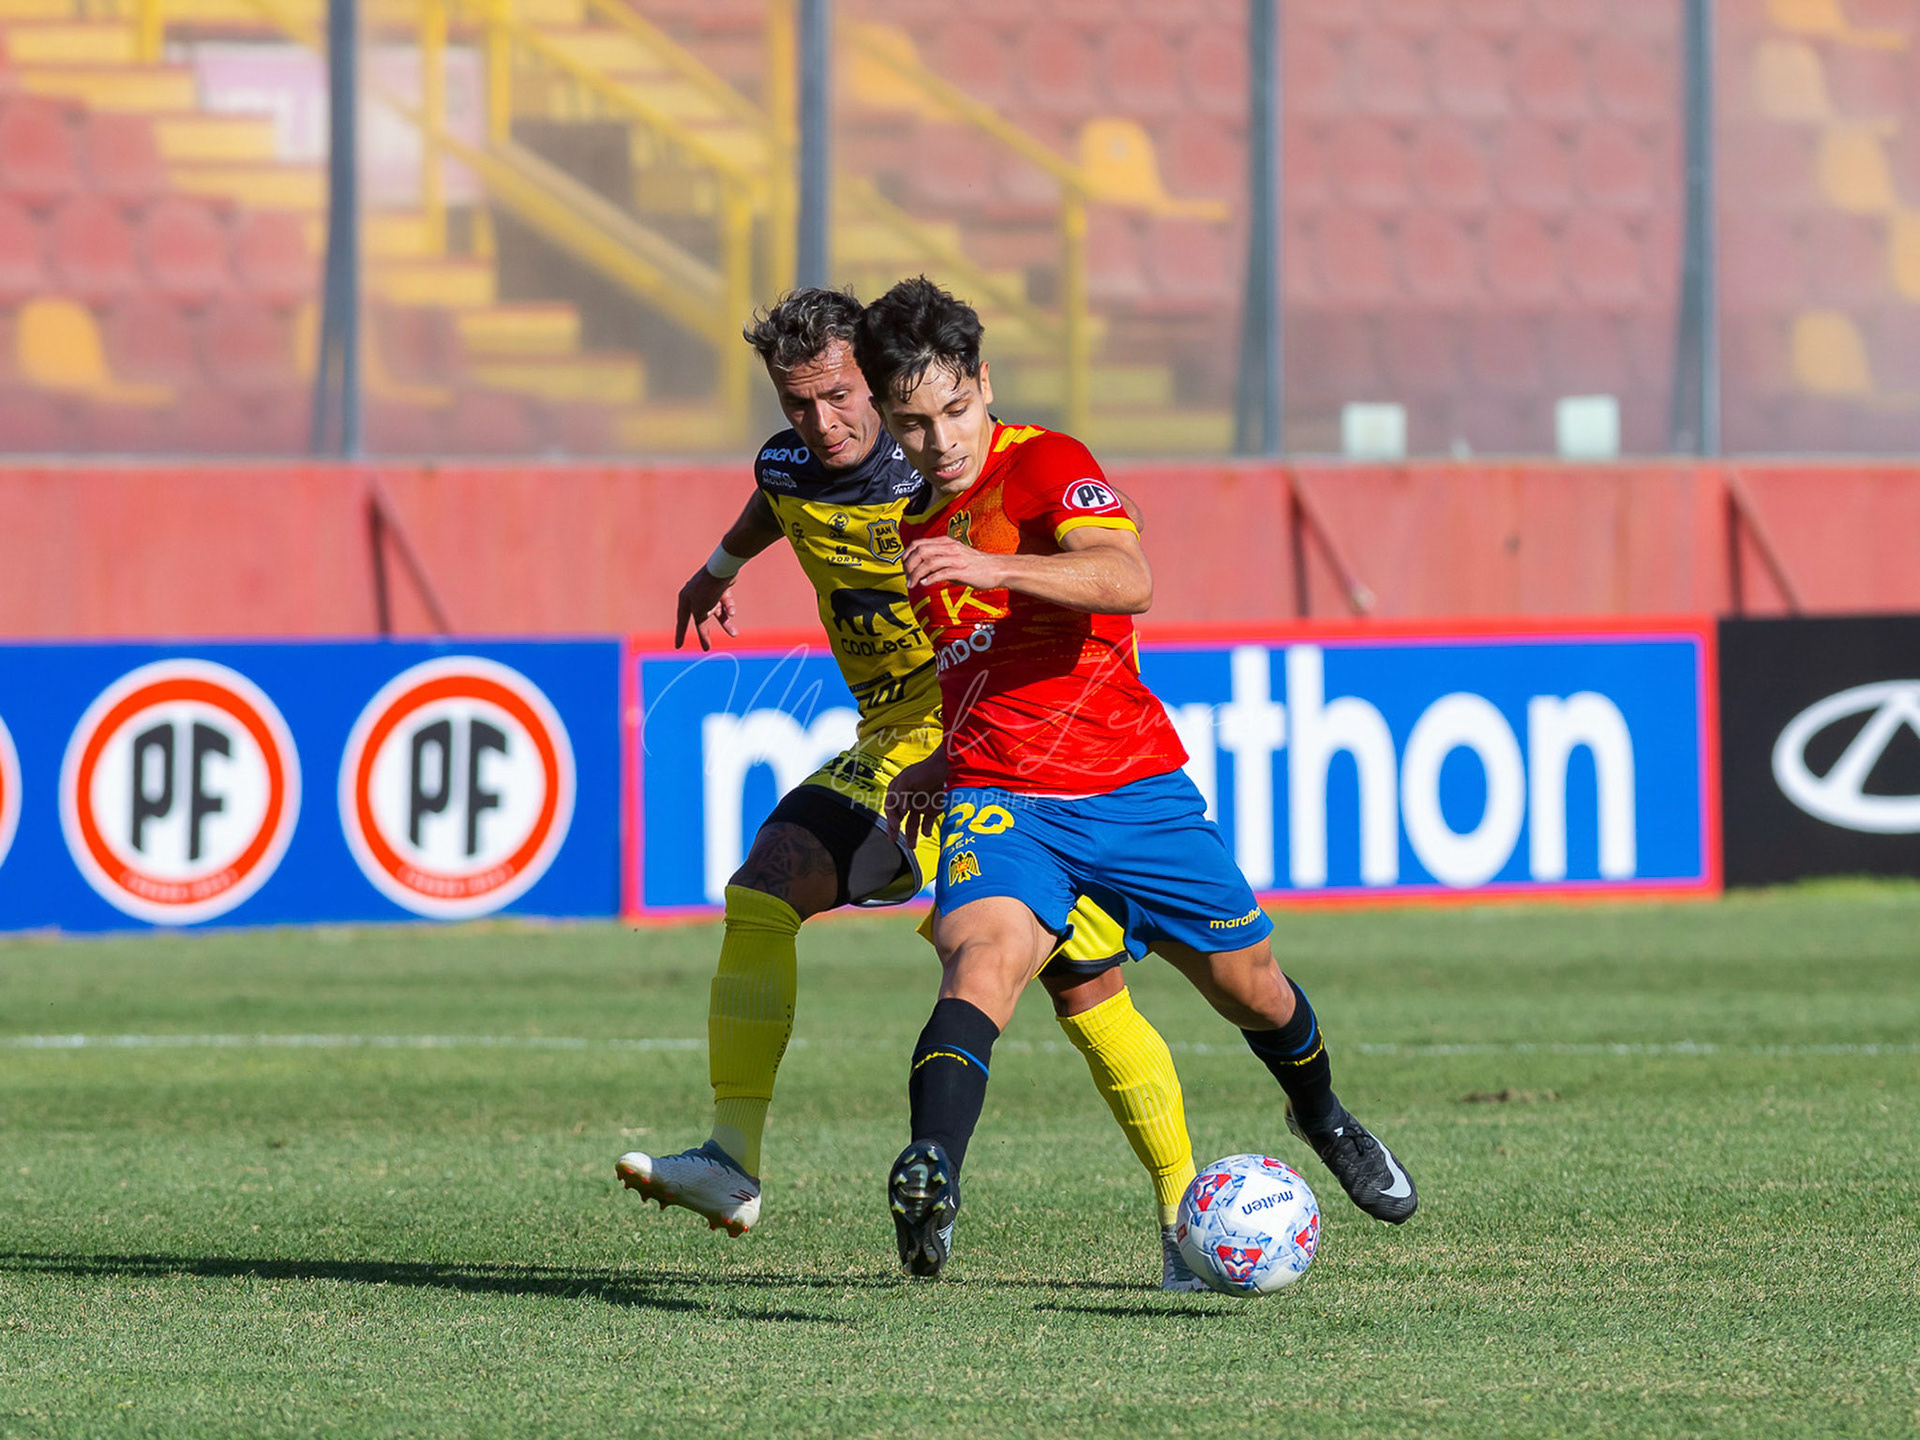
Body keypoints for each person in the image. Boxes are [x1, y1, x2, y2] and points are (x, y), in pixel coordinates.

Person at [617, 287, 1209, 1288]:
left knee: (1086, 984)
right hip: (892, 740)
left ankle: (1185, 1217)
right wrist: (717, 567)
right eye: (797, 403)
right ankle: (731, 1158)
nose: (823, 423)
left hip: (995, 749)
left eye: (843, 398)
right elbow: (781, 492)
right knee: (764, 888)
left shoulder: (935, 472)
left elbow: (1085, 570)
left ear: (882, 383)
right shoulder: (790, 459)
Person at [855, 276, 1417, 1278]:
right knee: (978, 963)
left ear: (984, 383)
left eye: (953, 410)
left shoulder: (1047, 465)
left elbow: (1127, 578)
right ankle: (931, 1172)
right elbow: (983, 663)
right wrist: (946, 756)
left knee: (1255, 992)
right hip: (1003, 799)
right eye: (911, 423)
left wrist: (997, 568)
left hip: (1131, 789)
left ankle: (1323, 1114)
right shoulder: (915, 524)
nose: (939, 440)